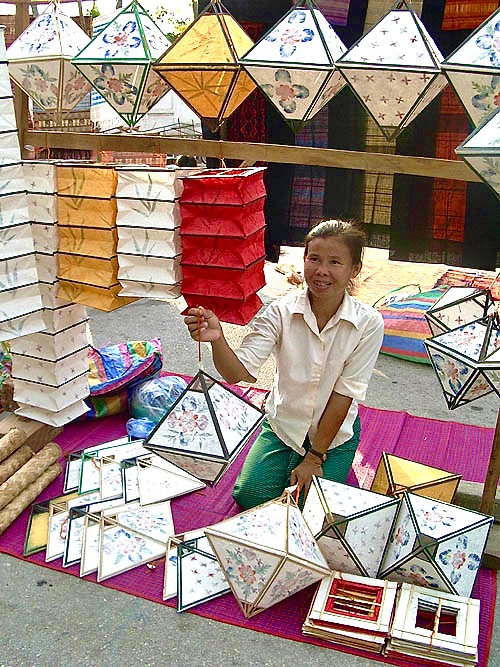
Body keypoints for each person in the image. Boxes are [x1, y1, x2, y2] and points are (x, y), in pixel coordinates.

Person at [184, 219, 384, 510]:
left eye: (335, 262)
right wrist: (217, 339)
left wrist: (315, 457)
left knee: (310, 509)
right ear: (303, 260)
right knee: (250, 496)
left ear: (355, 270)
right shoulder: (280, 311)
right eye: (313, 259)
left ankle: (332, 463)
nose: (322, 271)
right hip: (283, 424)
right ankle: (308, 465)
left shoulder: (368, 323)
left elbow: (345, 393)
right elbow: (236, 373)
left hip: (334, 433)